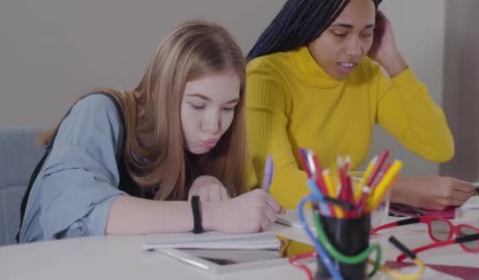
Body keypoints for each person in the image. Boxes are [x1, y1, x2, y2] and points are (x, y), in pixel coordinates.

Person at [19, 20, 283, 243]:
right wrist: (211, 213)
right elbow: (81, 215)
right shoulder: (98, 110)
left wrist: (205, 185)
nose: (214, 125)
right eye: (198, 105)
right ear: (159, 92)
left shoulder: (199, 148)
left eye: (228, 108)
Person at [246, 0, 475, 211]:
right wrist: (395, 190)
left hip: (345, 227)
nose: (355, 50)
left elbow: (438, 147)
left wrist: (394, 61)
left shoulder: (367, 75)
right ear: (309, 25)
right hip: (278, 235)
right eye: (340, 33)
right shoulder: (266, 75)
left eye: (366, 33)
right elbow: (280, 185)